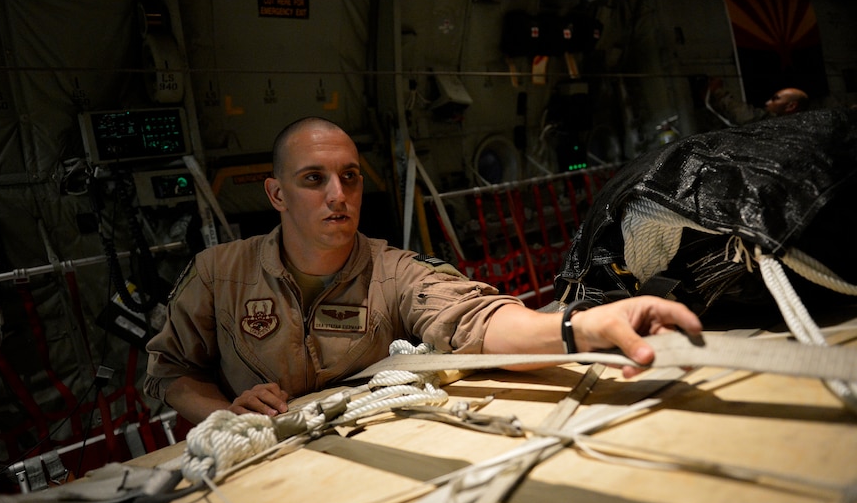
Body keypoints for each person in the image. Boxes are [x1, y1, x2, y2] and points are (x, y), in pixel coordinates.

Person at [144, 117, 703, 424]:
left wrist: (580, 327)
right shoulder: (218, 274)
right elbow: (170, 371)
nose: (339, 195)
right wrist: (226, 415)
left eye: (350, 176)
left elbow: (475, 321)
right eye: (314, 179)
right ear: (276, 194)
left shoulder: (393, 273)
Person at [707, 78, 808, 125]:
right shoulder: (802, 125)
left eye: (775, 99)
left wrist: (718, 91)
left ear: (791, 106)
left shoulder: (776, 124)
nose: (768, 103)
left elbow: (744, 116)